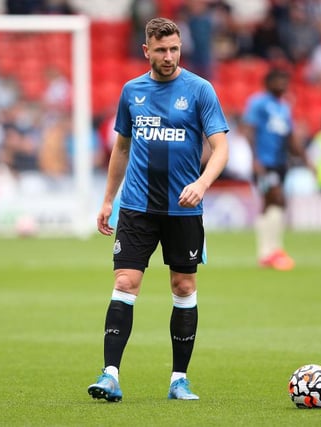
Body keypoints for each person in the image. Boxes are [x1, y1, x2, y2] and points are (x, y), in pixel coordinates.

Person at [87, 17, 229, 402]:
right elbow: (121, 147)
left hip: (183, 212)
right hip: (136, 207)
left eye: (175, 49)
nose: (169, 57)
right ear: (146, 50)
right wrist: (107, 199)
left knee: (183, 286)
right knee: (124, 284)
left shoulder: (199, 90)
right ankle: (110, 375)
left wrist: (201, 184)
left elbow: (221, 148)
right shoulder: (132, 91)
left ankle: (178, 379)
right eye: (161, 50)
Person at [242, 68, 298, 271]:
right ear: (267, 83)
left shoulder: (284, 107)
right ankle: (269, 251)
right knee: (276, 197)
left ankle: (271, 251)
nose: (282, 84)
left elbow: (290, 136)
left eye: (285, 79)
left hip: (280, 162)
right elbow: (249, 131)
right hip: (264, 163)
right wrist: (255, 159)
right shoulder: (258, 103)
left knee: (272, 204)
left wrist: (306, 160)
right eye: (278, 79)